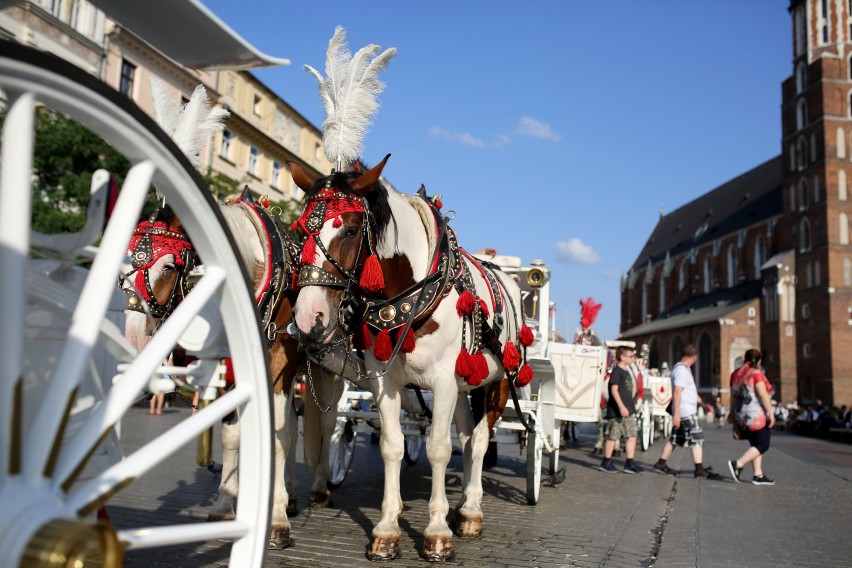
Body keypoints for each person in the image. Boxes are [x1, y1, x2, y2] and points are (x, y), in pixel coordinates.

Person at [652, 344, 720, 479]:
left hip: (684, 411)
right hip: (686, 412)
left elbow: (690, 393)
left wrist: (703, 404)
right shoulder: (682, 371)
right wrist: (676, 415)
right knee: (697, 439)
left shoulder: (682, 369)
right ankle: (699, 469)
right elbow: (677, 392)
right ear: (694, 358)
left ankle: (660, 464)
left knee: (676, 439)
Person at [727, 349, 776, 485]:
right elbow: (762, 394)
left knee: (755, 443)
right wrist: (770, 413)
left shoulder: (735, 373)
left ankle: (758, 474)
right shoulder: (756, 373)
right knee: (763, 444)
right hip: (755, 415)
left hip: (740, 414)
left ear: (744, 359)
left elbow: (732, 395)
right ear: (759, 361)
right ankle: (738, 464)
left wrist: (731, 412)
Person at [599, 345, 642, 474]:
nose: (633, 358)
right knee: (613, 436)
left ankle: (629, 463)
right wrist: (621, 406)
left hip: (628, 410)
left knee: (632, 435)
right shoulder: (617, 371)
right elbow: (614, 390)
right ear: (622, 357)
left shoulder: (627, 371)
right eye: (631, 356)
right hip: (617, 410)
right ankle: (606, 462)